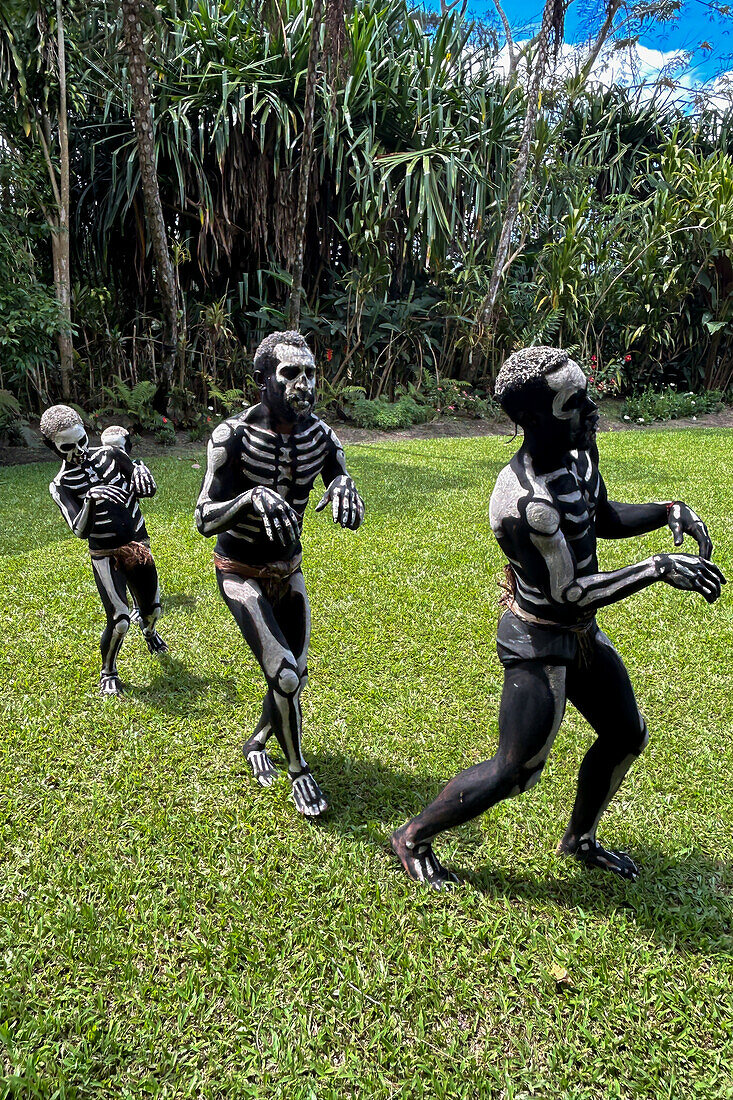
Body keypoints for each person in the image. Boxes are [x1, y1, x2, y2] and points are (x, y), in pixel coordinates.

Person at [391, 346, 725, 888]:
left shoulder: (578, 456)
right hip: (539, 636)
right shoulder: (525, 500)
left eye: (586, 396)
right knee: (517, 769)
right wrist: (658, 568)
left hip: (580, 633)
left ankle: (581, 838)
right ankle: (412, 835)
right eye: (574, 404)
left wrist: (666, 511)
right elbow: (569, 591)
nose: (592, 410)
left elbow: (601, 517)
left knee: (625, 734)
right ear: (531, 419)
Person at [195, 331, 364, 817]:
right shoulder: (232, 437)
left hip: (289, 570)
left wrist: (344, 486)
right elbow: (203, 518)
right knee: (286, 676)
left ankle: (257, 743)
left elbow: (336, 474)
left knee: (295, 676)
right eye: (291, 373)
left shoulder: (321, 436)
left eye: (310, 373)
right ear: (263, 379)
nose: (303, 383)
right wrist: (249, 498)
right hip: (241, 571)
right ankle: (298, 771)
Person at [40, 406, 166, 697]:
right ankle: (108, 669)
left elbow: (142, 482)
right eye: (67, 448)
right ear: (52, 447)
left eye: (82, 441)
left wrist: (143, 475)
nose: (79, 452)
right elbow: (79, 530)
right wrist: (92, 500)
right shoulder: (61, 485)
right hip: (105, 554)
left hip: (137, 545)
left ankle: (149, 632)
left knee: (152, 610)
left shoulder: (111, 455)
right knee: (120, 618)